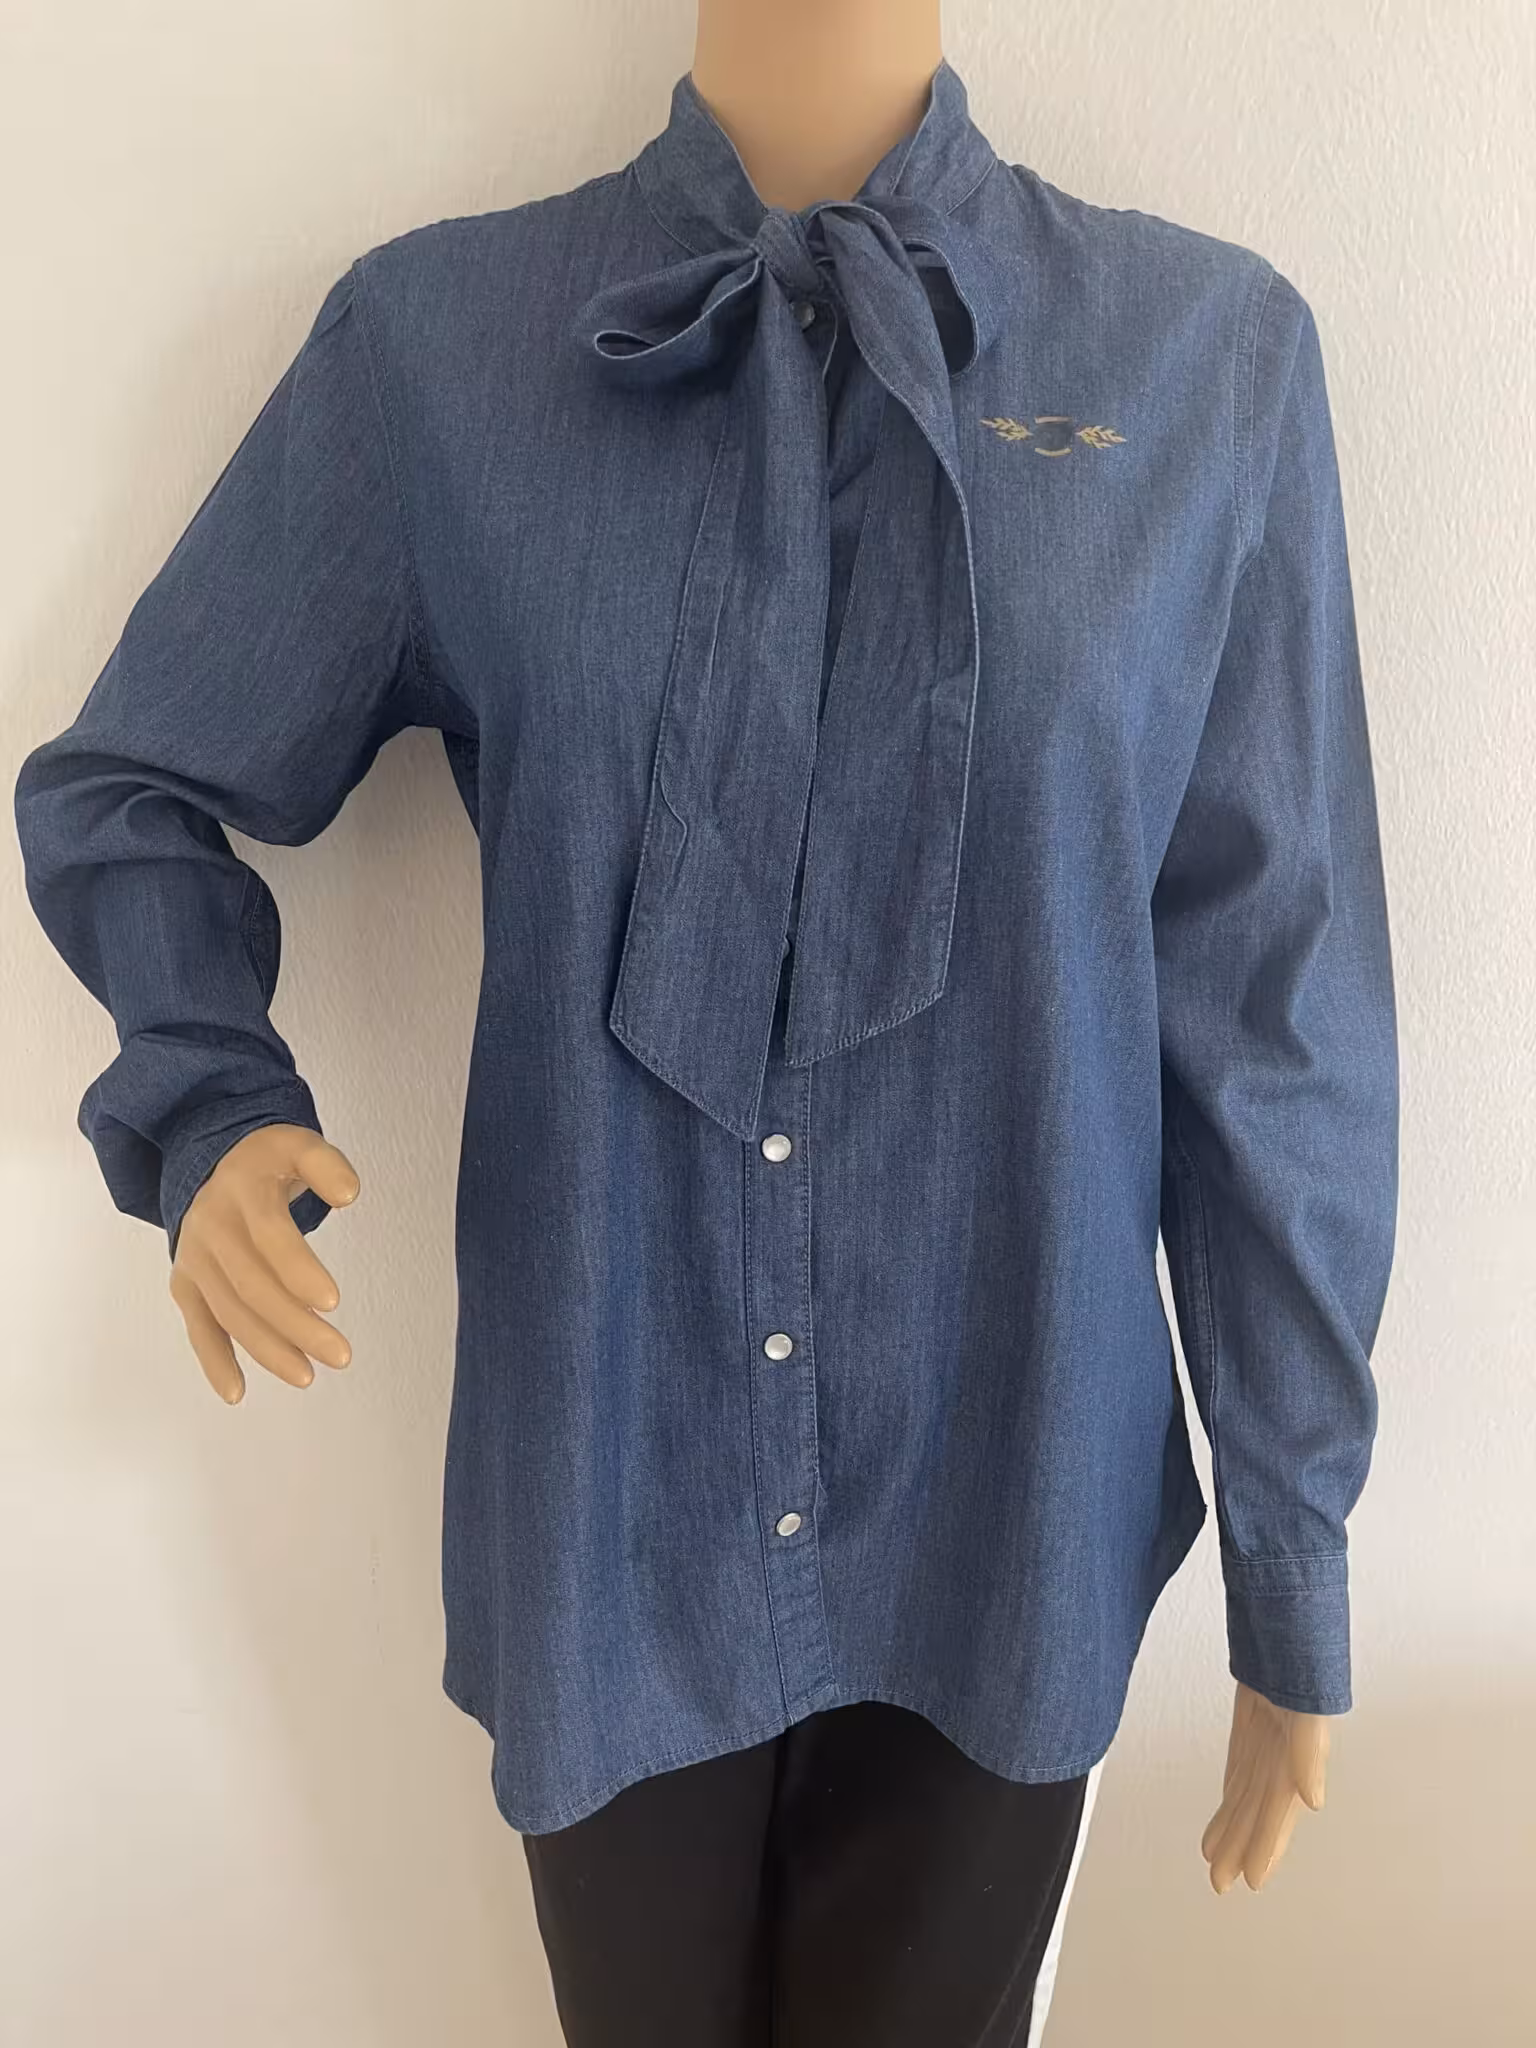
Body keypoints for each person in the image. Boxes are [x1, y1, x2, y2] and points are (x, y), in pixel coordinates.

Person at [11, 6, 1399, 2041]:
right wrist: (211, 1099)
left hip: (1011, 1485)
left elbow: (1277, 1004)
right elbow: (128, 781)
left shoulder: (1206, 362)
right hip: (613, 1484)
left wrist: (1295, 1558)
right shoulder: (440, 351)